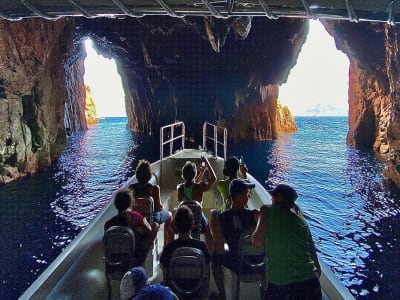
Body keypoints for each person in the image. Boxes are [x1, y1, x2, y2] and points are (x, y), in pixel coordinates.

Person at [251, 184, 322, 300]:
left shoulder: (267, 210)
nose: (271, 199)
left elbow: (257, 241)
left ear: (278, 198)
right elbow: (317, 267)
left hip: (283, 285)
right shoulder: (302, 223)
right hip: (311, 284)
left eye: (272, 197)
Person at [208, 178, 261, 300]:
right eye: (246, 193)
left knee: (215, 257)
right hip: (257, 262)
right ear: (239, 196)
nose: (248, 196)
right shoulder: (255, 215)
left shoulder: (222, 218)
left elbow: (219, 243)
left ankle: (222, 293)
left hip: (237, 262)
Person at [104, 189, 159, 267]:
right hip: (136, 258)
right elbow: (149, 231)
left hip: (115, 260)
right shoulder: (136, 216)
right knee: (155, 225)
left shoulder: (108, 224)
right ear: (130, 203)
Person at [129, 159, 173, 244]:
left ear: (137, 174)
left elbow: (130, 205)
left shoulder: (131, 188)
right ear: (149, 174)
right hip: (151, 218)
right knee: (170, 215)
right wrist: (163, 209)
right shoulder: (154, 188)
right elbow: (158, 206)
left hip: (136, 217)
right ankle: (166, 244)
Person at [160, 205, 210, 273]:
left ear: (175, 225)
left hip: (174, 283)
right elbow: (207, 263)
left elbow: (163, 267)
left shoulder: (169, 248)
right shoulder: (201, 246)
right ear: (193, 224)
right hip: (196, 282)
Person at [176, 156, 216, 236]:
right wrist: (207, 162)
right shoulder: (199, 187)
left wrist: (202, 173)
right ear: (194, 175)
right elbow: (213, 179)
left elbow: (191, 185)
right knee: (208, 229)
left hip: (183, 218)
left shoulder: (179, 187)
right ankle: (210, 247)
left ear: (183, 175)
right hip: (198, 219)